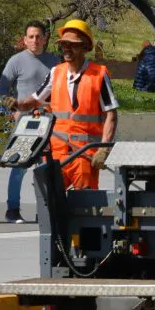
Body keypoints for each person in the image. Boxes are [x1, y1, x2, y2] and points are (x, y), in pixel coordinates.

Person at [16, 19, 119, 190]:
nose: (66, 48)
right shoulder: (56, 72)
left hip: (85, 155)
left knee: (85, 204)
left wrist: (104, 149)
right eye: (64, 44)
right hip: (56, 155)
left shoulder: (99, 75)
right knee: (49, 202)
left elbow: (111, 114)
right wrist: (17, 104)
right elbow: (34, 100)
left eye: (73, 44)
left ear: (85, 47)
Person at [0, 21, 59, 223]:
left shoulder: (55, 62)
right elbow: (2, 90)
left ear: (45, 39)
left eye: (38, 36)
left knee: (46, 169)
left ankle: (45, 210)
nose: (35, 40)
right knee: (19, 167)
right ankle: (12, 210)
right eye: (31, 37)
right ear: (25, 40)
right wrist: (13, 111)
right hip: (24, 124)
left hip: (49, 123)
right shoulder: (15, 61)